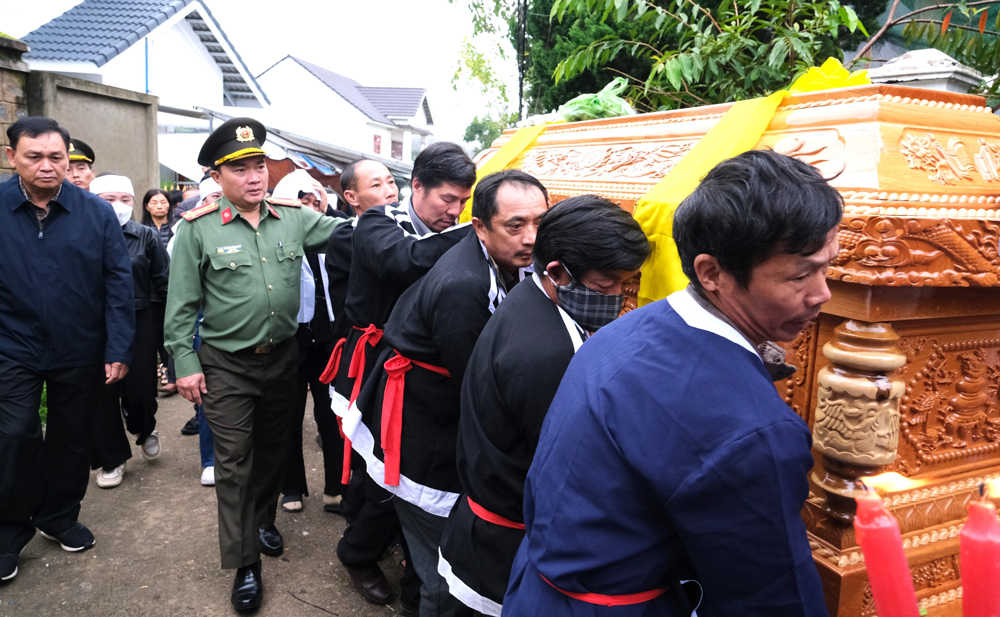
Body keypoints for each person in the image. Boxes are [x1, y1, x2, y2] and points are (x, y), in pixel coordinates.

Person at [501, 150, 842, 617]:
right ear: (712, 272)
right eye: (801, 274)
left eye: (828, 267)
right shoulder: (755, 433)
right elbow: (774, 598)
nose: (822, 293)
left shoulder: (625, 331)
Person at [346, 170, 549, 616]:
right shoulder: (464, 286)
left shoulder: (499, 260)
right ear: (480, 227)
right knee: (442, 564)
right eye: (515, 226)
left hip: (431, 404)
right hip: (426, 422)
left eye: (540, 222)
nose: (531, 238)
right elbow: (476, 386)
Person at [437, 196, 650, 616]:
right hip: (500, 547)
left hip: (485, 519)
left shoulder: (533, 299)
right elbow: (564, 469)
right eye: (608, 283)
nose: (621, 295)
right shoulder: (548, 353)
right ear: (557, 271)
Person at [164, 117, 343, 612]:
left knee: (271, 450)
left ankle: (262, 518)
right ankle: (245, 562)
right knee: (235, 462)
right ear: (218, 178)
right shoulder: (198, 229)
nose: (254, 176)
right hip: (225, 364)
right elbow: (180, 306)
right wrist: (184, 361)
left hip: (283, 358)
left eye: (259, 164)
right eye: (240, 168)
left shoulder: (293, 217)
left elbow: (347, 237)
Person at [325, 143, 475, 609]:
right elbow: (405, 261)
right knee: (386, 479)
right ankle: (358, 553)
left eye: (465, 203)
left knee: (404, 479)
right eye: (446, 200)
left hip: (419, 376)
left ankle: (410, 569)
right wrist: (484, 231)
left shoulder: (452, 231)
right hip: (374, 366)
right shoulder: (378, 222)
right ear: (417, 188)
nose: (455, 211)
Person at [0, 117, 134, 582]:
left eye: (56, 157)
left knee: (72, 436)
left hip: (81, 347)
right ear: (11, 156)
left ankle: (58, 516)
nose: (46, 166)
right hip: (11, 346)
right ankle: (9, 531)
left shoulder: (94, 213)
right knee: (15, 434)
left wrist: (118, 346)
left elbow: (118, 283)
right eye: (34, 156)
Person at [318, 158, 399, 517]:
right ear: (351, 196)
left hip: (393, 350)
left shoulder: (404, 228)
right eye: (376, 185)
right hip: (365, 350)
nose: (389, 190)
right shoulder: (348, 235)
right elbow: (397, 262)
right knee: (366, 439)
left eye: (391, 182)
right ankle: (358, 518)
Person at [265, 170, 343, 515]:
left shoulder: (334, 232)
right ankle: (291, 486)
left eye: (316, 201)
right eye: (303, 201)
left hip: (328, 338)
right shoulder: (271, 235)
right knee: (288, 414)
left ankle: (336, 488)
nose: (310, 208)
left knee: (331, 415)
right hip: (290, 337)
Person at [90, 174, 170, 489]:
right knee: (102, 393)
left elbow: (163, 283)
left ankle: (145, 426)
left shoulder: (146, 236)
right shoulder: (81, 235)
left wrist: (169, 341)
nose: (118, 206)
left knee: (140, 390)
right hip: (95, 324)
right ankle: (112, 459)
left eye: (124, 199)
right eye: (109, 200)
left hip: (141, 318)